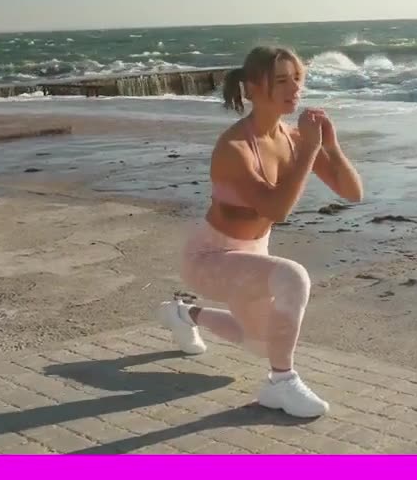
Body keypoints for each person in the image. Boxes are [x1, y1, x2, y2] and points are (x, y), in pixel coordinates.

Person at [155, 45, 364, 418]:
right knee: (293, 278)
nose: (294, 88)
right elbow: (277, 210)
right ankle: (280, 383)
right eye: (281, 80)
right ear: (252, 88)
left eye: (298, 79)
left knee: (261, 342)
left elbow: (352, 192)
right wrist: (309, 152)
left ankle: (184, 314)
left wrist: (329, 146)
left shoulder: (294, 140)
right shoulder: (234, 147)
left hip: (251, 257)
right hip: (210, 259)